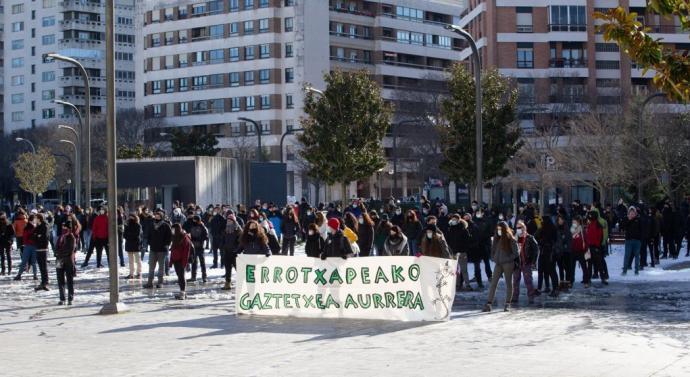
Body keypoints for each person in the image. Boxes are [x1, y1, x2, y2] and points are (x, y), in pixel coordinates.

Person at [483, 222, 519, 312]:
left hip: (508, 264)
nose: (498, 231)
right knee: (493, 283)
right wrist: (493, 257)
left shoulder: (510, 238)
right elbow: (493, 250)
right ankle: (489, 304)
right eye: (497, 229)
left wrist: (508, 259)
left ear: (504, 229)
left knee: (508, 284)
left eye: (500, 229)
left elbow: (516, 252)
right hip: (498, 264)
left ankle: (507, 304)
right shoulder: (496, 238)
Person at [512, 220, 539, 303]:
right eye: (517, 228)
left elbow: (536, 249)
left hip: (526, 262)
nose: (518, 229)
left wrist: (533, 261)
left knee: (528, 280)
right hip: (516, 263)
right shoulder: (514, 238)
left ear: (524, 228)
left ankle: (531, 297)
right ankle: (514, 297)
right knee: (515, 281)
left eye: (519, 227)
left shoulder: (529, 238)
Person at [144, 210, 172, 289]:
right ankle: (150, 282)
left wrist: (165, 245)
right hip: (153, 249)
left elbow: (169, 237)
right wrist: (150, 243)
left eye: (158, 216)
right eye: (156, 215)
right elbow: (148, 235)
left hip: (162, 250)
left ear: (161, 217)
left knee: (161, 267)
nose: (156, 217)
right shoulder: (151, 225)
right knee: (151, 267)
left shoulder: (165, 225)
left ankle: (160, 282)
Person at [446, 215, 472, 291]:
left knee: (464, 270)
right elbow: (447, 241)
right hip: (453, 253)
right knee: (454, 270)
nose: (453, 220)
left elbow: (467, 241)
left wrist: (463, 250)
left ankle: (467, 284)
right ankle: (457, 285)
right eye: (452, 219)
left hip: (462, 253)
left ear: (458, 220)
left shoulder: (463, 229)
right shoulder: (449, 229)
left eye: (455, 219)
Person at [55, 221, 77, 305]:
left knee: (69, 279)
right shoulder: (60, 237)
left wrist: (59, 252)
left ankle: (70, 298)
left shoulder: (71, 237)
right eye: (62, 227)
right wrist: (57, 253)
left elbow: (70, 250)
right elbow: (55, 247)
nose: (63, 228)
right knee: (60, 279)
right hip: (59, 260)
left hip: (68, 260)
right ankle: (62, 298)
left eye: (65, 227)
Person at [169, 223, 192, 300]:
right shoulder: (175, 237)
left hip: (182, 261)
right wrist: (171, 261)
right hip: (176, 260)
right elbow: (173, 250)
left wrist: (184, 263)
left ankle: (182, 293)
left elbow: (186, 252)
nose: (172, 231)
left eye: (173, 229)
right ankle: (183, 292)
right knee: (179, 277)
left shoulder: (184, 238)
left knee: (181, 277)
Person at [537, 216, 559, 296]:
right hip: (543, 251)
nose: (541, 222)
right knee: (542, 269)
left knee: (551, 270)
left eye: (542, 220)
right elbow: (538, 237)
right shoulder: (543, 228)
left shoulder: (552, 229)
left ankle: (555, 288)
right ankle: (544, 287)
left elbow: (554, 240)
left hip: (550, 252)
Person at [585, 211, 608, 285]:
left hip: (594, 247)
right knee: (596, 264)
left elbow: (599, 237)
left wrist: (596, 246)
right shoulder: (592, 225)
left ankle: (592, 278)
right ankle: (601, 278)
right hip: (593, 247)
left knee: (593, 264)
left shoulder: (596, 225)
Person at [220, 214, 242, 290]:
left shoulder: (238, 230)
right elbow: (223, 240)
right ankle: (227, 283)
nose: (228, 221)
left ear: (233, 221)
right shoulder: (225, 229)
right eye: (228, 220)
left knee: (238, 269)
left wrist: (237, 250)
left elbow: (241, 241)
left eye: (230, 220)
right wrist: (222, 247)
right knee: (227, 269)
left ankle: (242, 283)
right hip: (227, 252)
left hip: (235, 253)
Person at [14, 214, 37, 281]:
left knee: (30, 261)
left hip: (29, 246)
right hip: (30, 246)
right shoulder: (29, 228)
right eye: (34, 219)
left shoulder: (30, 227)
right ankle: (19, 275)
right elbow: (25, 237)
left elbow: (24, 238)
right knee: (28, 261)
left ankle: (21, 275)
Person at [621, 206, 643, 275]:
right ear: (628, 213)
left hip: (637, 241)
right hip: (629, 240)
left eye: (633, 212)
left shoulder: (639, 220)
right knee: (627, 255)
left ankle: (636, 271)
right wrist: (629, 220)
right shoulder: (626, 219)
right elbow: (622, 227)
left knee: (637, 256)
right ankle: (625, 270)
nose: (632, 214)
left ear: (635, 213)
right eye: (631, 212)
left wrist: (640, 239)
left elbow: (642, 230)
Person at [554, 214, 573, 290]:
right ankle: (562, 283)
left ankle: (568, 282)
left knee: (567, 268)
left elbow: (569, 239)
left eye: (561, 219)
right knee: (561, 268)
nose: (560, 221)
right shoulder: (556, 229)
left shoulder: (567, 228)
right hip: (559, 251)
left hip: (566, 251)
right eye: (559, 219)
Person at [188, 215, 209, 283]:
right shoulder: (191, 226)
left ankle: (204, 277)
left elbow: (206, 236)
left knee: (202, 262)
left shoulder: (203, 227)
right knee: (194, 262)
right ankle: (193, 276)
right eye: (193, 220)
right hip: (193, 246)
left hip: (200, 246)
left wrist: (199, 239)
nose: (194, 221)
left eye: (195, 220)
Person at [33, 213, 51, 291]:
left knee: (44, 266)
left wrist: (38, 236)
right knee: (40, 266)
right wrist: (37, 236)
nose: (35, 220)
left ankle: (45, 282)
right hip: (37, 248)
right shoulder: (37, 226)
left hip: (43, 248)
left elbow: (45, 237)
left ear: (39, 218)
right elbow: (33, 236)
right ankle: (43, 282)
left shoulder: (45, 226)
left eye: (36, 218)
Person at [123, 213, 142, 279]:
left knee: (137, 260)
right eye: (130, 217)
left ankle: (139, 273)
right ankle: (131, 274)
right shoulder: (127, 225)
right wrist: (129, 236)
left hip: (135, 244)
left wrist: (129, 236)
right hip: (129, 244)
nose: (131, 218)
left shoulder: (138, 225)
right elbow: (124, 235)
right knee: (131, 261)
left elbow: (137, 234)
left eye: (132, 217)